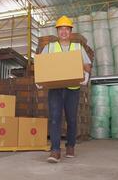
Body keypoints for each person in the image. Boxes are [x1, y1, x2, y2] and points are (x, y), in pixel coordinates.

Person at [38, 15, 91, 163]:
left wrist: (85, 73)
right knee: (55, 118)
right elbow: (41, 65)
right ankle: (55, 151)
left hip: (72, 88)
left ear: (70, 31)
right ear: (57, 31)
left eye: (66, 29)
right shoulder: (49, 47)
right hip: (55, 88)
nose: (63, 32)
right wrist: (40, 79)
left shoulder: (77, 47)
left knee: (71, 119)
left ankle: (70, 146)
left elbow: (87, 65)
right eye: (61, 29)